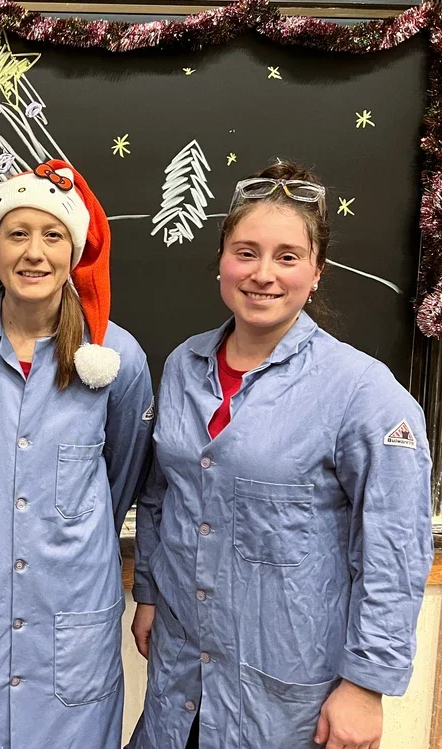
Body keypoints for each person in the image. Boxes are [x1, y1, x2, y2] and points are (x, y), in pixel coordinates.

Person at [128, 161, 434, 749]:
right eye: (246, 252)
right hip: (181, 682)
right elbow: (162, 493)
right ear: (220, 261)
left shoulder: (363, 392)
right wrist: (147, 592)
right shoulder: (184, 368)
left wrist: (366, 686)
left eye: (288, 257)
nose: (263, 274)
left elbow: (395, 547)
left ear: (316, 272)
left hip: (285, 699)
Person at [0, 160, 154, 748]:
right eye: (17, 233)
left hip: (71, 640)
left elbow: (123, 479)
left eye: (53, 235)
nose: (34, 253)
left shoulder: (115, 356)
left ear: (73, 250)